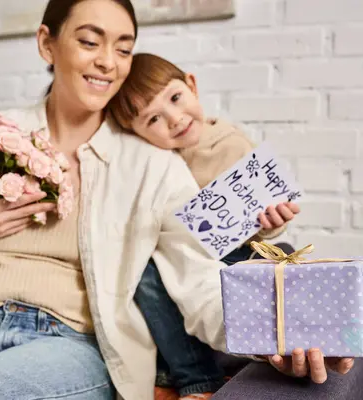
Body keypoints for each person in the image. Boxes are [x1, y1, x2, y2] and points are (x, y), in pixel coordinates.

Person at [0, 1, 354, 399]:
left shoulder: (150, 163)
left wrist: (276, 336)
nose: (109, 61)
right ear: (47, 43)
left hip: (65, 345)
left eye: (124, 48)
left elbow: (200, 279)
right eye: (90, 41)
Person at [109, 53, 301, 399]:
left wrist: (273, 223)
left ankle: (196, 374)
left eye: (176, 98)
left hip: (238, 253)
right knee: (146, 273)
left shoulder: (231, 144)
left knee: (279, 258)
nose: (175, 119)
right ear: (135, 133)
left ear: (192, 86)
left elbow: (262, 222)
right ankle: (191, 377)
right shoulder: (154, 162)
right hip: (182, 258)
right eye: (153, 118)